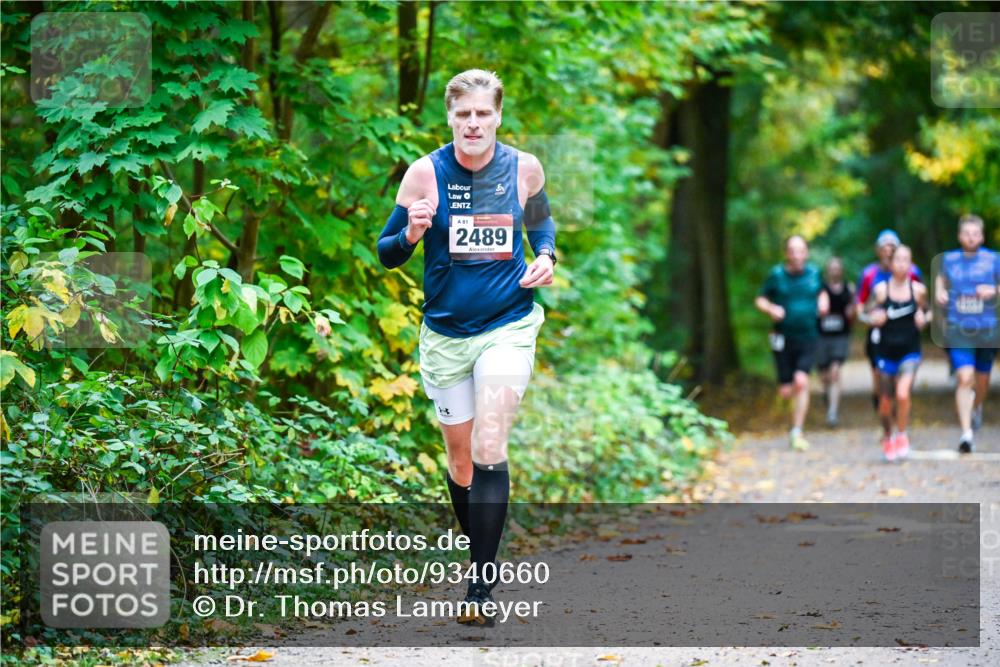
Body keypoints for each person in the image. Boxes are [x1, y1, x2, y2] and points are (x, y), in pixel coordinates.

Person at [376, 69, 556, 626]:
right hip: (446, 336)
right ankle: (480, 552)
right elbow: (386, 253)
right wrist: (409, 234)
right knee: (459, 461)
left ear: (497, 115)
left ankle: (480, 583)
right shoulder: (424, 174)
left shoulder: (523, 168)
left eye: (483, 113)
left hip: (509, 325)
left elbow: (542, 224)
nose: (473, 123)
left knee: (489, 443)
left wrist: (546, 257)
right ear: (450, 117)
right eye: (463, 114)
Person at [755, 235, 829, 451]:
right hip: (782, 339)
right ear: (786, 253)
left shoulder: (815, 273)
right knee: (786, 390)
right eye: (792, 251)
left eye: (800, 251)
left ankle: (797, 430)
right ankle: (790, 420)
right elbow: (760, 299)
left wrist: (823, 303)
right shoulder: (777, 275)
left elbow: (823, 292)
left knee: (801, 381)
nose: (796, 255)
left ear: (806, 253)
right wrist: (771, 309)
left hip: (808, 336)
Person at [935, 214, 999, 453]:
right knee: (964, 378)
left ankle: (976, 407)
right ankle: (966, 433)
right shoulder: (949, 260)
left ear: (981, 236)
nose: (971, 238)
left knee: (982, 381)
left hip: (987, 329)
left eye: (975, 233)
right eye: (967, 233)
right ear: (960, 236)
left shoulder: (994, 259)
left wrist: (993, 290)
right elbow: (941, 280)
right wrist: (939, 292)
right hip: (958, 328)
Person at [867, 245, 928, 462]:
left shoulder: (918, 290)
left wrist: (923, 317)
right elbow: (868, 312)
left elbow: (927, 311)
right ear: (891, 264)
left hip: (910, 350)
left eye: (906, 260)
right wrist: (876, 316)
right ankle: (888, 436)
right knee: (885, 401)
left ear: (911, 264)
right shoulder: (881, 289)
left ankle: (901, 434)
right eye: (898, 260)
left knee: (902, 394)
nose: (902, 264)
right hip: (885, 350)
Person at [857, 230, 922, 411]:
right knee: (880, 375)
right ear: (877, 250)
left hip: (906, 332)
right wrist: (871, 319)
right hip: (879, 334)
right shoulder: (869, 274)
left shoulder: (914, 273)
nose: (887, 251)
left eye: (891, 247)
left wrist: (920, 315)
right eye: (883, 247)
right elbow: (860, 309)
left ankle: (897, 405)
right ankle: (882, 399)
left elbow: (923, 305)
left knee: (902, 378)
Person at [816, 257, 854, 427]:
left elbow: (855, 310)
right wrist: (819, 309)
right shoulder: (820, 289)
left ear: (841, 270)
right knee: (824, 376)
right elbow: (813, 312)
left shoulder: (848, 288)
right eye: (831, 268)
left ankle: (832, 412)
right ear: (827, 270)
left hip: (840, 336)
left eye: (837, 268)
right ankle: (827, 395)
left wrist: (852, 310)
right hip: (822, 337)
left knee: (835, 372)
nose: (834, 271)